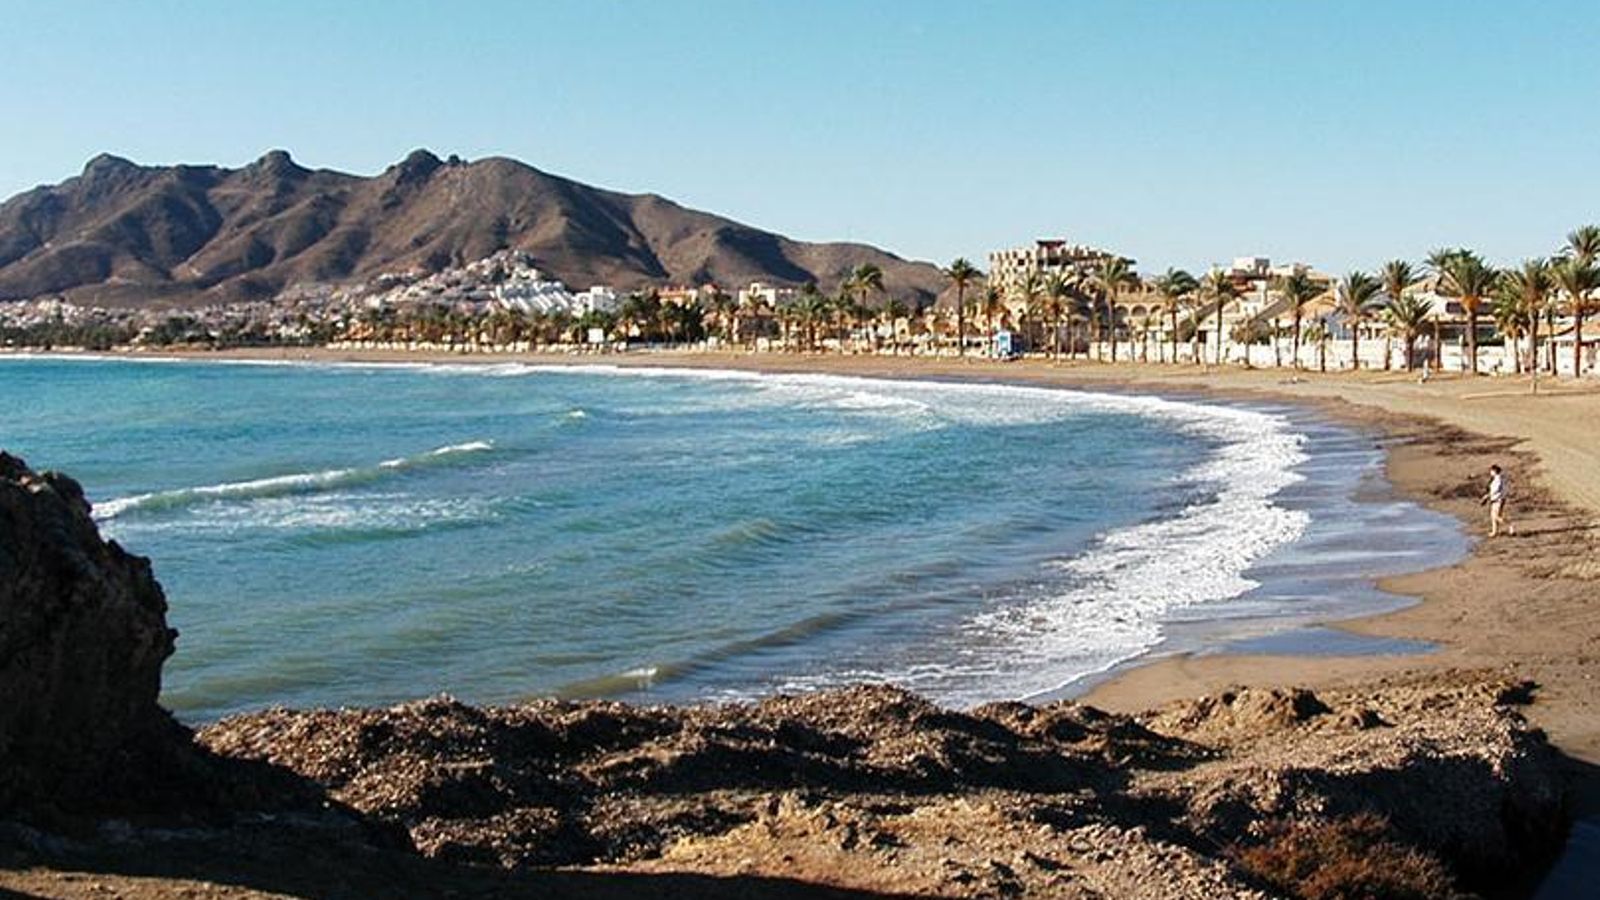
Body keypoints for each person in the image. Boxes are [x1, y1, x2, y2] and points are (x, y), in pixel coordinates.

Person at [1481, 464, 1514, 537]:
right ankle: (1494, 532)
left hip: (1498, 499)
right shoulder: (1495, 479)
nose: (1490, 472)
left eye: (1491, 471)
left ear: (1494, 471)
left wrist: (1486, 497)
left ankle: (1510, 525)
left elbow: (1495, 490)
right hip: (1495, 499)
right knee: (1492, 516)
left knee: (1497, 516)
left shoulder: (1498, 479)